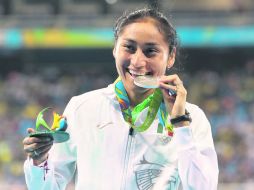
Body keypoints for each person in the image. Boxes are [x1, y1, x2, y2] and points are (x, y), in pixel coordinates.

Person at [23, 8, 219, 190]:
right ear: (115, 49)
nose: (137, 62)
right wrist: (39, 162)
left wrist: (180, 124)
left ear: (170, 57)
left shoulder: (192, 119)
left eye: (151, 51)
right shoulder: (82, 108)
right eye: (129, 47)